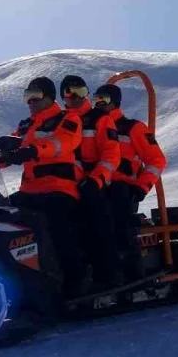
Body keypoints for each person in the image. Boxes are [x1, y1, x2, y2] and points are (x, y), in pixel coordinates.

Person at [0, 77, 86, 298]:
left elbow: (63, 143)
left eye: (35, 97)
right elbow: (11, 148)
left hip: (59, 188)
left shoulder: (67, 119)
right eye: (27, 97)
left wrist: (34, 151)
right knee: (0, 217)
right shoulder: (25, 125)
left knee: (56, 227)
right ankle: (14, 278)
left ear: (48, 97)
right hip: (30, 191)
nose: (30, 102)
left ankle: (74, 283)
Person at [92, 83, 168, 281]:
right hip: (97, 186)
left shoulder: (132, 128)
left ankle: (132, 272)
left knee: (119, 222)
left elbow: (156, 160)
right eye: (95, 100)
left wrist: (141, 187)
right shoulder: (92, 127)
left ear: (115, 102)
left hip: (123, 188)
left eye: (104, 100)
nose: (98, 104)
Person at [59, 74, 123, 289]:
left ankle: (109, 275)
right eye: (69, 92)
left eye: (81, 92)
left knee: (98, 220)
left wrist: (96, 180)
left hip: (92, 183)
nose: (75, 97)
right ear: (62, 96)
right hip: (63, 184)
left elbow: (112, 155)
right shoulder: (57, 121)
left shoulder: (100, 119)